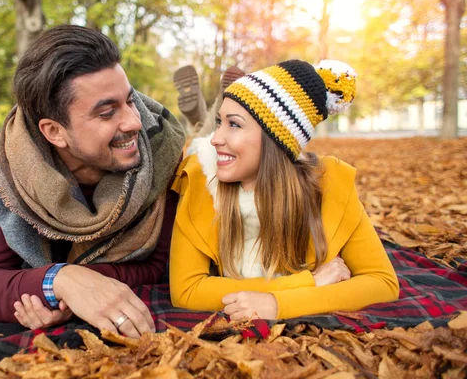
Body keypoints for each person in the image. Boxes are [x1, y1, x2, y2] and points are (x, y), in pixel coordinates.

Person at [0, 24, 186, 338]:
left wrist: (69, 287)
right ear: (54, 132)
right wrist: (63, 282)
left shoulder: (162, 149)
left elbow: (155, 263)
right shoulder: (7, 164)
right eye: (107, 113)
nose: (135, 122)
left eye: (130, 101)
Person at [169, 59, 399, 320]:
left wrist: (278, 305)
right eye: (221, 122)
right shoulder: (202, 179)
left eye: (234, 124)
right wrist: (304, 285)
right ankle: (200, 119)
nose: (217, 137)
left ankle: (203, 118)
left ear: (275, 140)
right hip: (219, 161)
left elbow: (383, 282)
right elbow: (186, 291)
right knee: (201, 143)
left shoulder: (330, 184)